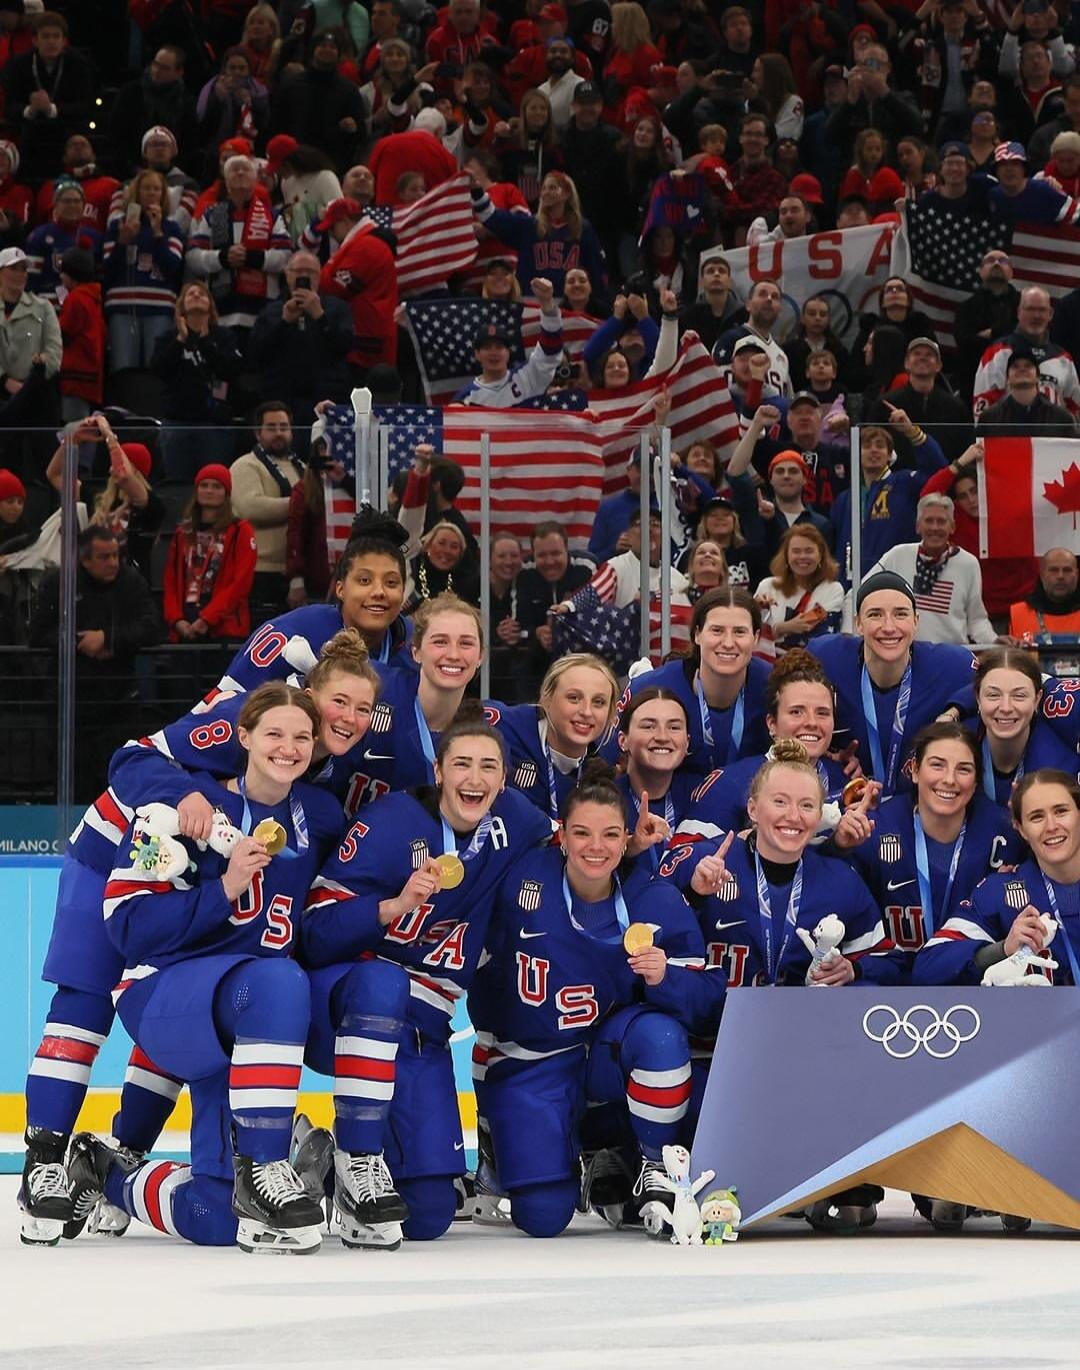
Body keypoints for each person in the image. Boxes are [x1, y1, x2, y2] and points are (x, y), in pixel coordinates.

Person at [65, 684, 344, 1252]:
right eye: (273, 734)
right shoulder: (179, 809)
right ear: (242, 737)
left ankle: (111, 1173)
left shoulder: (318, 815)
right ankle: (269, 1165)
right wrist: (224, 888)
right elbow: (127, 923)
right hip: (163, 997)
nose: (288, 748)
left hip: (248, 1013)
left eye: (301, 737)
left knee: (217, 1219)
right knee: (276, 979)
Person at [301, 712, 553, 1246]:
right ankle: (355, 1164)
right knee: (384, 984)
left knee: (429, 1214)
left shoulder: (519, 824)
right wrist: (391, 907)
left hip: (424, 1029)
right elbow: (315, 932)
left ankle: (315, 1159)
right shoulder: (389, 824)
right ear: (438, 770)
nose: (475, 777)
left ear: (504, 779)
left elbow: (581, 849)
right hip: (351, 1006)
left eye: (489, 766)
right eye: (461, 763)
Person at [468, 761, 723, 1237]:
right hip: (535, 1061)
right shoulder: (521, 878)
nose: (595, 847)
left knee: (660, 1036)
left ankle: (650, 1162)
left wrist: (666, 976)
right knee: (542, 1216)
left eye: (609, 835)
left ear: (628, 840)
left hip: (606, 1058)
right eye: (582, 833)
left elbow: (709, 999)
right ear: (560, 835)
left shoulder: (654, 897)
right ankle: (503, 1140)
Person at [661, 739, 901, 1233]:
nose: (793, 816)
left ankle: (833, 1174)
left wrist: (855, 971)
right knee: (720, 1173)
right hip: (716, 1049)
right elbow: (655, 885)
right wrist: (688, 880)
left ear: (821, 816)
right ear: (752, 807)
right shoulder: (712, 866)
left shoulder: (839, 880)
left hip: (798, 1056)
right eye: (780, 802)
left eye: (807, 805)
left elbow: (888, 964)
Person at [836, 721, 1020, 964]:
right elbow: (829, 890)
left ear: (976, 781)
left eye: (963, 769)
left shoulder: (1004, 834)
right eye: (937, 765)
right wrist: (837, 845)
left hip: (970, 983)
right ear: (914, 771)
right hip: (885, 983)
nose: (949, 779)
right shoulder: (874, 828)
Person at [212, 509, 415, 700]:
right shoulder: (292, 634)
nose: (379, 592)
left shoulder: (416, 643)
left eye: (391, 583)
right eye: (364, 581)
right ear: (340, 589)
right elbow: (220, 708)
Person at [809, 572, 977, 797]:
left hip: (918, 808)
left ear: (916, 621)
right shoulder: (826, 657)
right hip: (851, 804)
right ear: (858, 623)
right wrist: (821, 751)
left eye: (900, 614)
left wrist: (954, 711)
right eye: (875, 615)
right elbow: (783, 698)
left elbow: (1005, 681)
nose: (889, 627)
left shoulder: (951, 664)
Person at [29, 526, 162, 798]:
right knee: (76, 778)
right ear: (85, 559)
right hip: (71, 700)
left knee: (117, 776)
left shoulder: (131, 581)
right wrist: (79, 642)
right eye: (104, 557)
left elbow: (152, 628)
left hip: (120, 699)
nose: (112, 562)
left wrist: (109, 639)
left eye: (115, 555)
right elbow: (38, 635)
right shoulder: (59, 583)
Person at [676, 649, 850, 845]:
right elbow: (681, 858)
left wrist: (843, 845)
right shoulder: (730, 783)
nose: (811, 722)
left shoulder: (844, 782)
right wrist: (746, 844)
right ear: (772, 724)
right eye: (796, 712)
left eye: (822, 713)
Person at [610, 587, 771, 776]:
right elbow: (606, 762)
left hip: (751, 800)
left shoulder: (775, 687)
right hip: (666, 803)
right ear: (697, 634)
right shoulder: (649, 688)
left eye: (740, 632)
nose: (728, 643)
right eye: (717, 630)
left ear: (756, 638)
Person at [358, 594, 487, 796]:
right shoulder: (372, 683)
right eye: (440, 642)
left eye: (466, 643)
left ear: (480, 656)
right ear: (416, 651)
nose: (453, 654)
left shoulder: (479, 736)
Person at [489, 653, 619, 820]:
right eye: (574, 698)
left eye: (598, 702)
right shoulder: (503, 728)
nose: (587, 711)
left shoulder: (608, 759)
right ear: (546, 699)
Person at [557, 506, 693, 662]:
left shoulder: (676, 577)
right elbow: (594, 592)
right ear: (628, 535)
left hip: (671, 664)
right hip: (631, 665)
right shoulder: (616, 567)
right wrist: (568, 606)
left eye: (655, 524)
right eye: (640, 524)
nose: (648, 529)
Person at [248, 249, 355, 436]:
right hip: (281, 403)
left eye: (311, 272)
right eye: (298, 271)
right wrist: (284, 322)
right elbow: (256, 354)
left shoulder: (337, 308)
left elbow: (345, 346)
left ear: (320, 276)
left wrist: (320, 317)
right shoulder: (271, 311)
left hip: (325, 400)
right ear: (287, 274)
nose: (304, 276)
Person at [831, 414, 947, 583]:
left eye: (880, 446)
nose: (873, 450)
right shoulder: (845, 499)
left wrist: (912, 432)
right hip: (851, 585)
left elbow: (939, 472)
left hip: (897, 580)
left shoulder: (904, 483)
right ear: (856, 454)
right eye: (866, 446)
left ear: (890, 455)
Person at [868, 493, 996, 646]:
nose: (935, 527)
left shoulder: (968, 564)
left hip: (950, 657)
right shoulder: (897, 555)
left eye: (941, 521)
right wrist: (850, 636)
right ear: (918, 526)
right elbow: (857, 592)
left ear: (952, 527)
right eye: (929, 521)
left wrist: (995, 641)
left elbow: (976, 620)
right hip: (904, 657)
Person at [186, 154, 292, 336]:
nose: (241, 172)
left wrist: (253, 257)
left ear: (255, 179)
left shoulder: (272, 216)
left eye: (246, 169)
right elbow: (193, 257)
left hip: (263, 312)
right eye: (235, 170)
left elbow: (286, 257)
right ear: (225, 181)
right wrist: (223, 258)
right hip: (221, 312)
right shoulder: (211, 215)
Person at [150, 281, 244, 481]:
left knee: (214, 484)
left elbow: (230, 371)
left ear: (210, 305)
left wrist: (203, 342)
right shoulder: (168, 338)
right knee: (177, 485)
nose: (196, 295)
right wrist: (181, 340)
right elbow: (159, 370)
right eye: (190, 293)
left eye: (202, 294)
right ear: (181, 305)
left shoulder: (225, 337)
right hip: (177, 424)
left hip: (215, 425)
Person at [969, 647, 1079, 805]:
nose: (1006, 707)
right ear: (978, 698)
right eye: (993, 695)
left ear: (1036, 700)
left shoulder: (1062, 766)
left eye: (1019, 695)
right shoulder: (959, 744)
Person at [102, 168, 185, 373]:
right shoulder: (118, 226)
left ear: (163, 195)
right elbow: (107, 270)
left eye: (156, 189)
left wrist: (157, 234)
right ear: (136, 192)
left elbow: (173, 269)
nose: (151, 193)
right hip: (123, 307)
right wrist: (122, 242)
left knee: (156, 368)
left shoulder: (172, 228)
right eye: (146, 188)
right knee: (123, 368)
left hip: (159, 308)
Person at [163, 464, 257, 644]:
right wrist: (176, 619)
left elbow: (241, 583)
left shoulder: (240, 531)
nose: (209, 491)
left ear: (226, 493)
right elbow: (171, 580)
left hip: (224, 628)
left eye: (216, 486)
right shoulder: (183, 532)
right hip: (185, 623)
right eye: (204, 485)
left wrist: (208, 618)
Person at [230, 403, 305, 627]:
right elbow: (250, 508)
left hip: (295, 573)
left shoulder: (302, 467)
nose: (279, 433)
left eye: (284, 426)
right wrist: (300, 504)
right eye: (271, 427)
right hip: (259, 573)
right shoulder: (246, 465)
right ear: (258, 432)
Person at [1, 12, 93, 183]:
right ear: (34, 40)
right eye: (46, 36)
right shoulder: (19, 65)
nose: (51, 41)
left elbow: (85, 106)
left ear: (64, 41)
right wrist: (30, 109)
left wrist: (52, 109)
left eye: (56, 36)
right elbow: (9, 107)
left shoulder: (78, 64)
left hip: (65, 134)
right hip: (29, 136)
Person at [615, 687, 698, 873]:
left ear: (687, 743)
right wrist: (631, 846)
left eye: (674, 727)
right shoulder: (602, 799)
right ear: (623, 740)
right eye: (648, 726)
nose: (662, 736)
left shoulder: (703, 795)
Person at [973, 288, 1080, 421]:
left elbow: (1075, 409)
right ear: (1018, 312)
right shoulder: (997, 353)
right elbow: (983, 406)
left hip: (1052, 439)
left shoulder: (1063, 359)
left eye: (1041, 310)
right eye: (1030, 309)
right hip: (1007, 439)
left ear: (1050, 314)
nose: (1036, 316)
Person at [269, 26, 367, 171]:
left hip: (332, 165)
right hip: (294, 163)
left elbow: (360, 133)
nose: (327, 50)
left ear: (339, 53)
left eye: (332, 47)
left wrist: (353, 127)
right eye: (322, 46)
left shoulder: (349, 90)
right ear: (313, 50)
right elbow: (276, 123)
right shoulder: (292, 85)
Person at [456, 277, 563, 406]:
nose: (493, 352)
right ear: (477, 354)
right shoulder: (467, 398)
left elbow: (550, 352)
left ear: (508, 352)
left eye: (499, 347)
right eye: (487, 347)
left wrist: (547, 304)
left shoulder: (527, 376)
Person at [866, 336, 972, 466]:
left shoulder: (956, 407)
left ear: (939, 365)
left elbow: (965, 449)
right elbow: (869, 443)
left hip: (944, 480)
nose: (922, 358)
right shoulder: (885, 404)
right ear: (906, 363)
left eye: (929, 355)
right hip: (898, 481)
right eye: (916, 354)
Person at [515, 520, 595, 683]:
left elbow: (599, 619)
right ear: (533, 554)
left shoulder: (586, 569)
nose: (550, 562)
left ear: (567, 550)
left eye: (556, 553)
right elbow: (519, 626)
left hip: (583, 654)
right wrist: (536, 633)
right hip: (538, 659)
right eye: (542, 555)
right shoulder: (525, 574)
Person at [107, 45, 199, 177]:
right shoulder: (131, 93)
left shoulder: (186, 101)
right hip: (131, 171)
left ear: (179, 72)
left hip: (173, 174)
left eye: (165, 68)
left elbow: (190, 142)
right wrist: (133, 169)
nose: (156, 71)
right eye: (155, 64)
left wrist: (174, 172)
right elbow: (116, 135)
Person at [756, 525, 843, 653]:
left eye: (809, 551)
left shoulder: (833, 588)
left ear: (821, 556)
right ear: (786, 556)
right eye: (796, 551)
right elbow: (752, 632)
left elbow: (806, 624)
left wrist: (778, 629)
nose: (802, 556)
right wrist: (756, 608)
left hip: (812, 663)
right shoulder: (767, 586)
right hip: (769, 663)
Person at [953, 249, 1020, 402]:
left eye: (1003, 261)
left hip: (1018, 378)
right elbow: (964, 341)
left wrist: (991, 333)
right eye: (990, 261)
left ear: (1011, 272)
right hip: (974, 382)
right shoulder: (966, 307)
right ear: (981, 271)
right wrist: (1005, 335)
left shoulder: (1023, 304)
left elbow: (1027, 335)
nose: (997, 263)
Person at [976, 346, 1076, 437]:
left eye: (1028, 366)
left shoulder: (1061, 418)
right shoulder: (990, 418)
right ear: (1008, 379)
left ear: (1038, 377)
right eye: (1015, 366)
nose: (1022, 369)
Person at [1008, 547, 1080, 639]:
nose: (1060, 576)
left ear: (1077, 575)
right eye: (1053, 570)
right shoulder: (1018, 614)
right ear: (1041, 574)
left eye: (1067, 570)